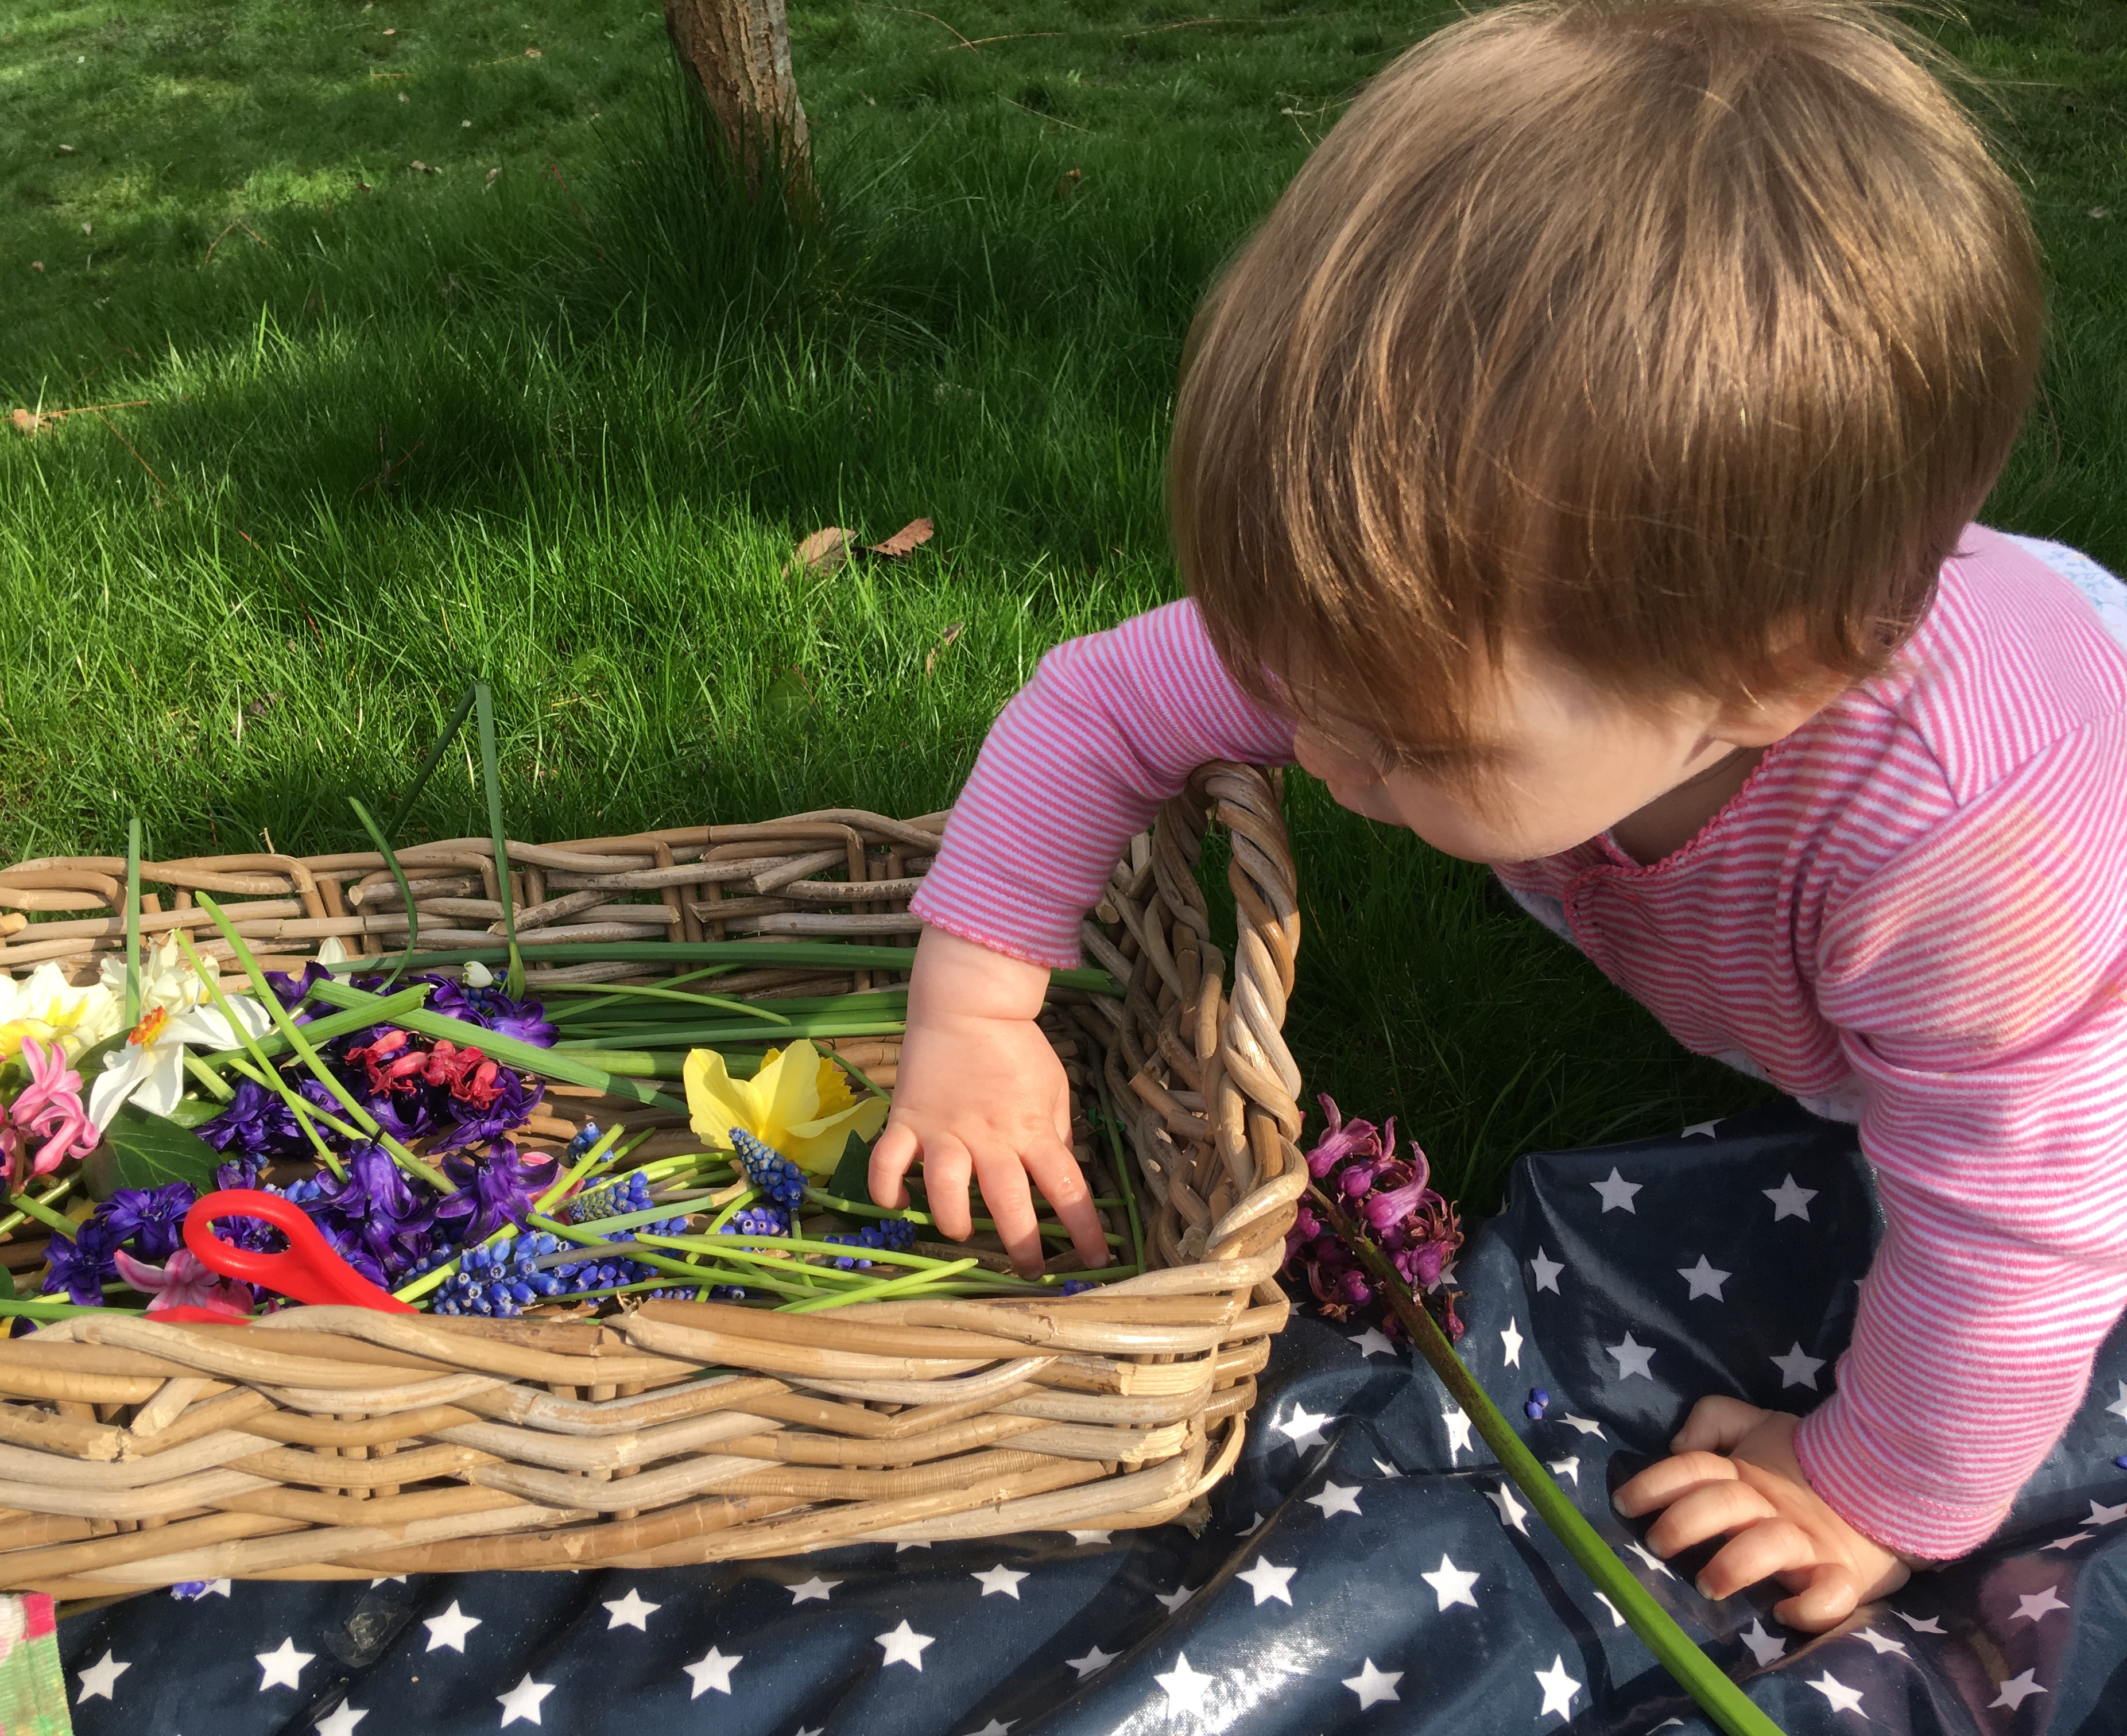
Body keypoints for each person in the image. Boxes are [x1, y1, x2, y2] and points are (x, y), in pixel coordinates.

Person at [866, 0, 2127, 1633]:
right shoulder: (1432, 636)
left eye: (1403, 738)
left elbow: (2019, 1233)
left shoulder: (1968, 860)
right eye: (1294, 677)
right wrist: (977, 1005)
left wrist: (1871, 1484)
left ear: (1769, 673)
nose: (1311, 745)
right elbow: (1099, 702)